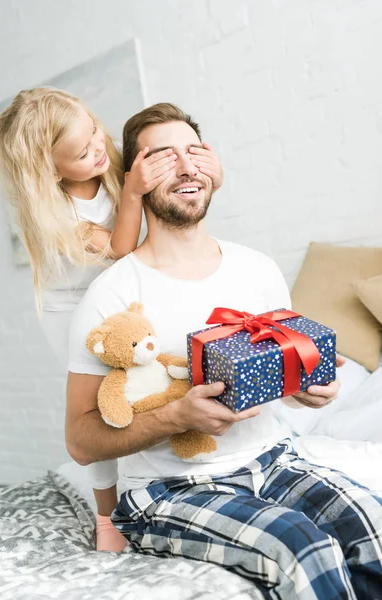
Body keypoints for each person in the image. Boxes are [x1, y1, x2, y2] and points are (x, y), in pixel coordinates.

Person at [66, 102, 382, 598]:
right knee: (306, 550)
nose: (187, 166)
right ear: (137, 178)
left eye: (194, 152)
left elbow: (280, 377)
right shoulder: (110, 294)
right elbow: (80, 441)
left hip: (274, 460)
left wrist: (306, 388)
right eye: (165, 157)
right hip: (167, 489)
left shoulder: (257, 270)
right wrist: (175, 418)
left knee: (373, 526)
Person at [0, 89, 223, 552]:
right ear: (51, 169)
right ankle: (105, 515)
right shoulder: (57, 213)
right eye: (83, 151)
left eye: (96, 130)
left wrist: (208, 177)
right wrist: (134, 189)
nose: (99, 147)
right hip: (71, 306)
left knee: (146, 377)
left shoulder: (109, 166)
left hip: (117, 292)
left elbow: (169, 202)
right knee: (98, 407)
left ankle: (162, 472)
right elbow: (120, 249)